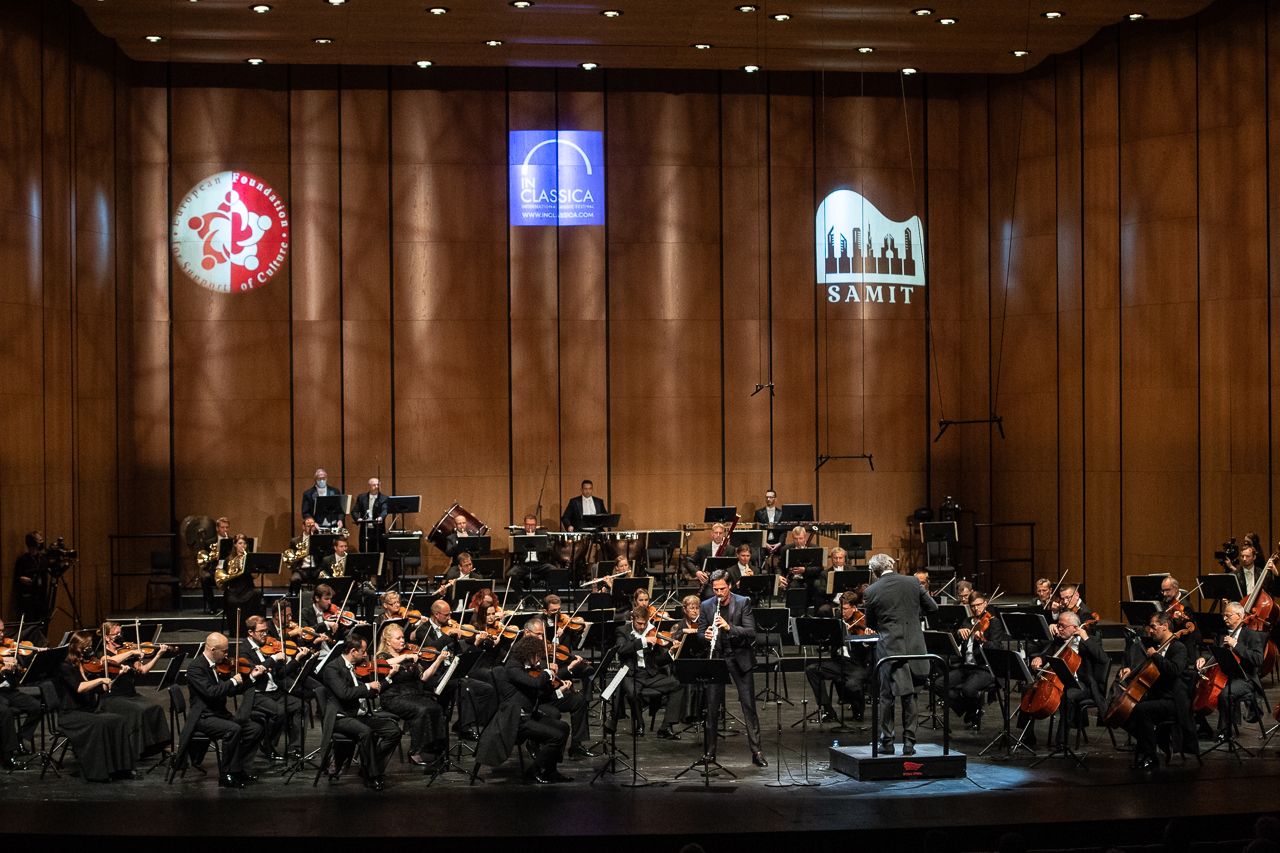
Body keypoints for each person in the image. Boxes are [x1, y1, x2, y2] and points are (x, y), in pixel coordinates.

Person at [863, 553, 938, 755]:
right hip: (915, 647)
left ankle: (887, 742)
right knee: (910, 696)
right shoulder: (913, 582)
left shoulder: (871, 591)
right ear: (892, 566)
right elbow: (933, 607)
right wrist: (913, 616)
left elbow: (871, 624)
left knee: (887, 696)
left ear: (874, 571)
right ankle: (909, 744)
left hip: (890, 649)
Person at [477, 631, 571, 784]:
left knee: (563, 727)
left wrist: (560, 690)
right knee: (556, 736)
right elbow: (535, 683)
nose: (539, 660)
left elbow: (541, 695)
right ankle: (534, 771)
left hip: (528, 714)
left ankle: (550, 771)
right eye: (538, 656)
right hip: (515, 718)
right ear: (529, 653)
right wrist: (546, 673)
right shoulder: (513, 667)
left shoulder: (527, 669)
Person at [178, 632, 266, 788]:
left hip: (219, 714)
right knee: (233, 729)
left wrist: (251, 677)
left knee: (255, 729)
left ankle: (239, 768)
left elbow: (230, 691)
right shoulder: (196, 668)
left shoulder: (218, 665)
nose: (227, 655)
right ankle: (226, 774)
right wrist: (233, 680)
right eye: (224, 651)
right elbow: (211, 692)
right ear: (213, 650)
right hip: (203, 717)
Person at [698, 571, 765, 767]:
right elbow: (700, 633)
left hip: (739, 657)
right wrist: (705, 636)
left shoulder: (743, 602)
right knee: (711, 707)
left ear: (730, 586)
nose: (719, 593)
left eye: (722, 589)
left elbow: (751, 632)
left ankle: (757, 752)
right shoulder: (706, 605)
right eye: (715, 589)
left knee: (748, 706)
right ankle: (710, 753)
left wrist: (729, 628)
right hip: (717, 658)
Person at [320, 635, 401, 791]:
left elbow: (368, 692)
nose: (365, 655)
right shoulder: (332, 669)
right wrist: (368, 686)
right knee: (366, 732)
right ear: (353, 651)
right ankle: (372, 776)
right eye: (363, 652)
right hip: (341, 717)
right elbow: (345, 693)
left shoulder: (353, 667)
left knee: (393, 731)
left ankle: (370, 765)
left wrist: (388, 679)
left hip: (359, 715)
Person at [57, 631, 136, 782]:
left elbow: (102, 689)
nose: (90, 649)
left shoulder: (88, 666)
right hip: (70, 714)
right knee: (99, 724)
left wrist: (117, 675)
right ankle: (99, 772)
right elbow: (79, 687)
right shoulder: (65, 667)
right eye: (86, 646)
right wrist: (100, 680)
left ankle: (121, 769)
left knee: (118, 720)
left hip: (89, 711)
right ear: (76, 647)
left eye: (90, 646)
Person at [1116, 612, 1191, 770]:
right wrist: (1130, 671)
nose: (1150, 631)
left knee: (1141, 710)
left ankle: (1151, 756)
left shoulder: (1178, 648)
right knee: (1125, 712)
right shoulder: (1158, 647)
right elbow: (1146, 670)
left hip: (1173, 700)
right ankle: (1157, 741)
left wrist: (1156, 656)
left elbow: (1174, 670)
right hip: (1158, 696)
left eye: (1153, 627)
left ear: (1165, 626)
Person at [1023, 610, 1107, 748]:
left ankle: (1061, 742)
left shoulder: (1089, 640)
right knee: (1028, 689)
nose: (1059, 629)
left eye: (1062, 626)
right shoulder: (1059, 639)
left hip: (1081, 684)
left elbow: (1103, 659)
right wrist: (1040, 658)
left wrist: (1085, 637)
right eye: (1058, 625)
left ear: (1074, 627)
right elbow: (1049, 653)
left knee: (1067, 696)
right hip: (1058, 681)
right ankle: (1027, 736)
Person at [375, 623, 450, 765]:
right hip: (393, 697)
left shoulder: (408, 654)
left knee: (436, 708)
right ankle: (415, 751)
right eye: (398, 638)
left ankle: (434, 749)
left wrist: (438, 660)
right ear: (388, 641)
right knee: (422, 710)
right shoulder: (382, 656)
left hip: (414, 694)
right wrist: (406, 657)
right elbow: (381, 664)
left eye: (403, 637)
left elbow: (424, 677)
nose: (402, 641)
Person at [241, 615, 310, 761]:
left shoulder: (269, 645)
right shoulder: (244, 650)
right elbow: (254, 671)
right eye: (261, 632)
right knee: (280, 712)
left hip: (275, 691)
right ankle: (267, 744)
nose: (265, 635)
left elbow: (280, 673)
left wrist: (296, 660)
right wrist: (273, 659)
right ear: (251, 632)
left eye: (266, 631)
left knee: (301, 706)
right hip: (257, 694)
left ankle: (295, 748)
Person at [523, 616, 594, 758]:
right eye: (538, 634)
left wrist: (562, 677)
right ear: (526, 632)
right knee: (554, 713)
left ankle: (576, 745)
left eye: (542, 634)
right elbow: (539, 677)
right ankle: (534, 743)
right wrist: (568, 669)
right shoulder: (522, 651)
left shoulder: (543, 647)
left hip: (548, 693)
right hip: (534, 698)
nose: (541, 638)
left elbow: (551, 676)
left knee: (578, 700)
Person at [99, 621, 171, 759]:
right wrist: (131, 651)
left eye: (120, 633)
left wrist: (158, 655)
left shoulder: (126, 651)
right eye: (116, 634)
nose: (120, 636)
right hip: (112, 697)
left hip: (131, 695)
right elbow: (108, 662)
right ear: (107, 637)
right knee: (138, 711)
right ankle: (137, 750)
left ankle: (157, 746)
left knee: (156, 708)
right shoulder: (102, 653)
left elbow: (143, 670)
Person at [613, 605, 684, 740]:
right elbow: (621, 649)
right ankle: (639, 724)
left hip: (650, 674)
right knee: (632, 693)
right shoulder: (622, 631)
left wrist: (671, 652)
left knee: (677, 685)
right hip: (631, 674)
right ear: (633, 619)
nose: (642, 627)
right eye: (639, 623)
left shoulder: (652, 631)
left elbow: (658, 661)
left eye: (644, 623)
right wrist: (643, 641)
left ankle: (666, 727)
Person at [1195, 601, 1266, 736]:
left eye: (1228, 616)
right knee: (1193, 685)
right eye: (1224, 615)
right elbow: (1213, 653)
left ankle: (1225, 731)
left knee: (1225, 695)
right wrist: (1203, 658)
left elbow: (1258, 660)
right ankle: (1203, 726)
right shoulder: (1222, 634)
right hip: (1224, 675)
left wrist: (1236, 645)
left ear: (1239, 616)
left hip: (1245, 678)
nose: (1224, 618)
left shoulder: (1251, 635)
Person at [944, 591, 1006, 730]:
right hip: (966, 666)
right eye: (972, 606)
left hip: (985, 668)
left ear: (985, 603)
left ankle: (972, 709)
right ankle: (971, 708)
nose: (976, 608)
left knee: (967, 689)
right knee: (939, 684)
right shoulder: (967, 621)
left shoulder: (993, 622)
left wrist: (983, 640)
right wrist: (958, 633)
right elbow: (955, 643)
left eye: (979, 605)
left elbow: (996, 647)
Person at [806, 591, 869, 722]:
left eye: (845, 609)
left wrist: (865, 640)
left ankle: (858, 711)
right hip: (839, 662)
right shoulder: (837, 621)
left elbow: (866, 649)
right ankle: (827, 710)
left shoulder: (862, 621)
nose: (842, 612)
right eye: (841, 608)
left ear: (854, 607)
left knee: (852, 684)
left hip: (856, 665)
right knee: (812, 670)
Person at [0, 617, 43, 760]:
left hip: (8, 690)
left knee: (36, 706)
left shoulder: (8, 648)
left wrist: (17, 667)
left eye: (3, 631)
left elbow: (18, 675)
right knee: (5, 712)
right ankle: (8, 754)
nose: (2, 635)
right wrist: (2, 671)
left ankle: (21, 738)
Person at [220, 533, 263, 629]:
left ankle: (252, 627)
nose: (242, 546)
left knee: (257, 594)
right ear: (235, 545)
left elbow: (255, 576)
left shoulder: (250, 558)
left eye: (244, 543)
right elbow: (226, 577)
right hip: (234, 589)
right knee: (231, 600)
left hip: (248, 588)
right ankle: (235, 629)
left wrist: (250, 564)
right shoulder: (229, 559)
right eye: (240, 543)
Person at [509, 514, 555, 592]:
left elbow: (550, 549)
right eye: (528, 524)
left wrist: (541, 546)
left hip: (540, 565)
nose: (530, 527)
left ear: (536, 525)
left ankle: (551, 596)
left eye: (532, 525)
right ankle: (521, 595)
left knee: (555, 571)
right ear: (524, 525)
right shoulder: (517, 535)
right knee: (511, 574)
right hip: (523, 565)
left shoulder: (543, 535)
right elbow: (512, 550)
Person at [12, 532, 49, 627]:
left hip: (41, 598)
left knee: (42, 624)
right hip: (28, 599)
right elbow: (16, 578)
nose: (41, 542)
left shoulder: (43, 558)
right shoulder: (22, 560)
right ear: (32, 543)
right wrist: (22, 579)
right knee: (30, 625)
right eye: (39, 540)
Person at [199, 517, 230, 615]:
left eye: (227, 527)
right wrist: (212, 558)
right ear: (217, 528)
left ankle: (229, 606)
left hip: (228, 571)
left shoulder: (233, 542)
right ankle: (212, 606)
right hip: (214, 571)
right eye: (222, 527)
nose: (225, 530)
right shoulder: (209, 542)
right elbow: (205, 560)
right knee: (205, 579)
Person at [286, 516, 320, 595]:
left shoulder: (319, 539)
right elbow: (289, 559)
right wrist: (300, 556)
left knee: (326, 578)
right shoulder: (295, 541)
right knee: (295, 579)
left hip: (316, 569)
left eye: (312, 526)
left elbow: (323, 558)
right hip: (301, 570)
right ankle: (297, 597)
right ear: (303, 527)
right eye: (308, 526)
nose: (311, 528)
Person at [353, 476, 388, 552]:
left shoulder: (384, 498)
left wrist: (381, 517)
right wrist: (358, 518)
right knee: (364, 550)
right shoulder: (361, 497)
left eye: (378, 485)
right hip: (365, 529)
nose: (376, 487)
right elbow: (354, 511)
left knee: (378, 550)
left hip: (378, 529)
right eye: (374, 485)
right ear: (369, 486)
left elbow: (385, 510)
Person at [752, 489, 784, 558]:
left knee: (784, 551)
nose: (768, 499)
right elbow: (757, 530)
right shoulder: (758, 513)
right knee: (757, 553)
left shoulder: (781, 513)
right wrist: (765, 543)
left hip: (778, 543)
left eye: (771, 497)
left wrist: (779, 543)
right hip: (764, 543)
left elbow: (784, 531)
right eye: (767, 497)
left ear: (775, 499)